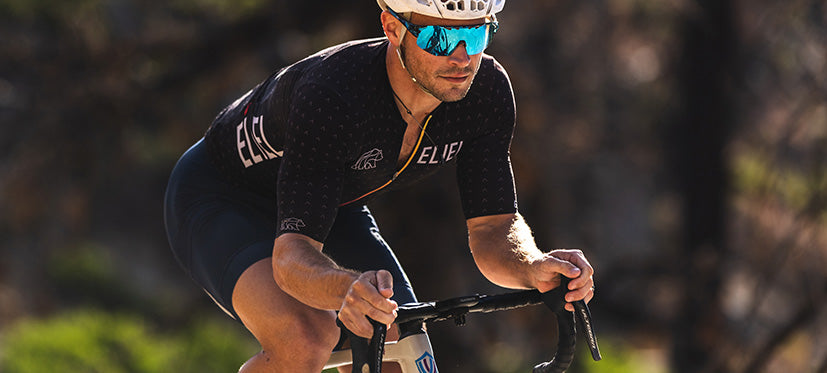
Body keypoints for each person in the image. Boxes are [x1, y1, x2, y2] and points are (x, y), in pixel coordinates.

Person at [164, 0, 596, 371]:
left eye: (478, 37)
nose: (463, 58)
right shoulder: (334, 95)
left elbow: (493, 230)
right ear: (392, 27)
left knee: (404, 340)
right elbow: (291, 261)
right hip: (222, 196)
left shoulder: (485, 93)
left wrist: (533, 266)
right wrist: (344, 288)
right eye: (440, 39)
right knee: (307, 336)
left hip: (330, 200)